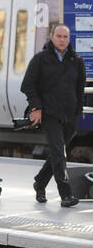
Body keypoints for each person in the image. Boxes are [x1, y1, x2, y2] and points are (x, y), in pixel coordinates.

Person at [21, 23, 85, 208]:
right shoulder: (40, 59)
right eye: (59, 36)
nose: (62, 40)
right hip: (49, 114)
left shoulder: (77, 60)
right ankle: (66, 195)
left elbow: (79, 88)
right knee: (58, 152)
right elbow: (27, 85)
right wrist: (37, 107)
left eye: (65, 37)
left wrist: (78, 111)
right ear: (52, 37)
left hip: (70, 116)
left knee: (58, 154)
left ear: (69, 38)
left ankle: (39, 183)